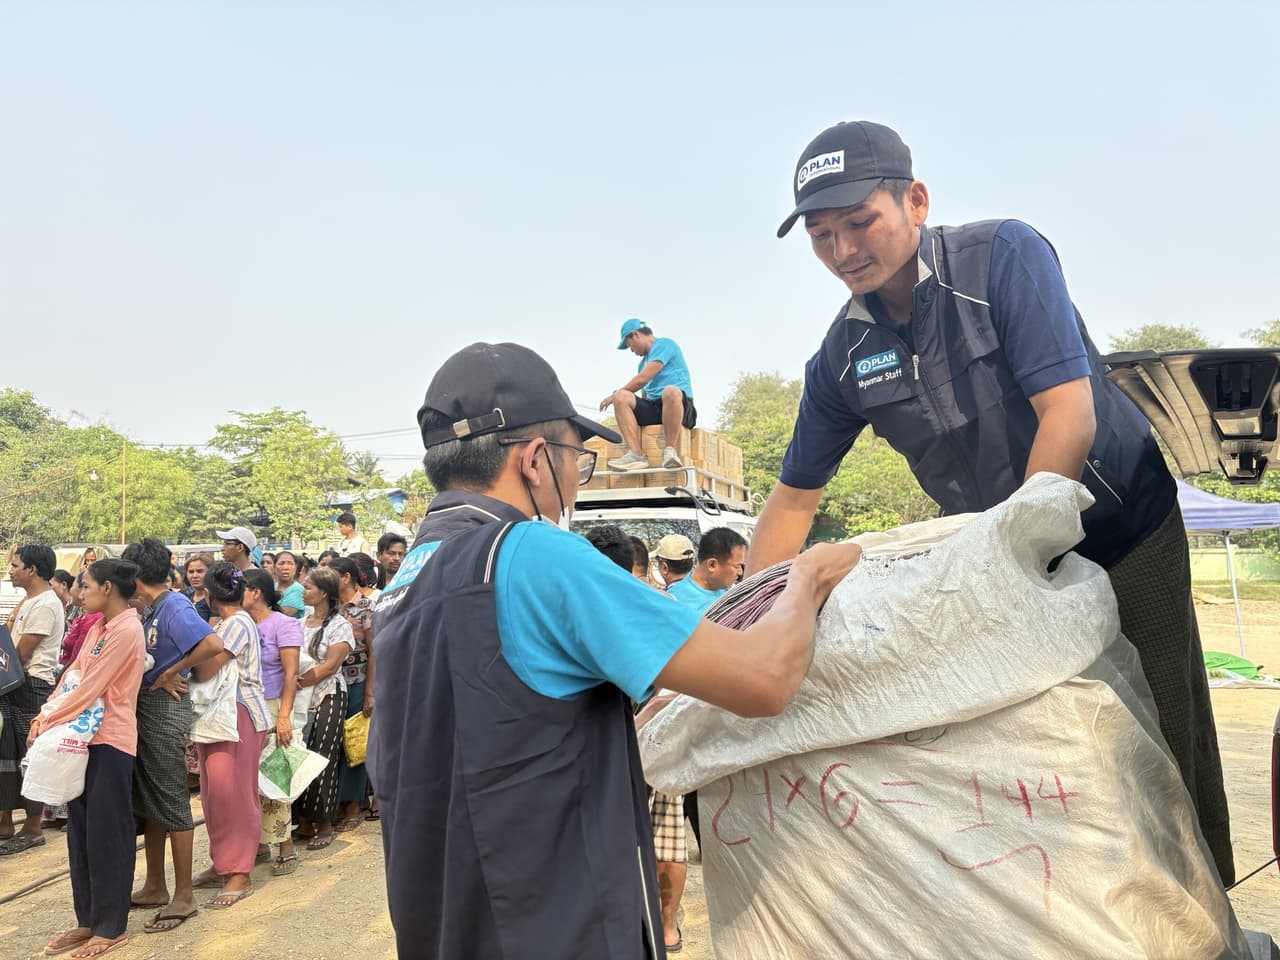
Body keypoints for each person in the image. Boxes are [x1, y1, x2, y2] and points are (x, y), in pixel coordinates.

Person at [750, 119, 1235, 883]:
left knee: (1160, 729)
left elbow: (1067, 415)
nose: (842, 251)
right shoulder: (843, 356)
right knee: (1044, 749)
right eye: (820, 235)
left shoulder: (1002, 256)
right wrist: (743, 623)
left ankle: (1205, 908)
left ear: (915, 199)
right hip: (1006, 559)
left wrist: (1017, 562)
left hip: (1119, 528)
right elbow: (789, 506)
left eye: (859, 222)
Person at [368, 341, 861, 958]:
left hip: (446, 926)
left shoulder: (403, 582)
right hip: (561, 927)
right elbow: (764, 677)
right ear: (535, 459)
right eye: (579, 455)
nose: (579, 475)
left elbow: (511, 723)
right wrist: (807, 576)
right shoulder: (532, 555)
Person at [34, 559, 145, 960]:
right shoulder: (99, 627)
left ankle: (110, 926)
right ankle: (88, 919)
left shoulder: (127, 629)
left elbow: (93, 688)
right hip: (80, 738)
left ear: (109, 588)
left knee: (108, 833)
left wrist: (48, 717)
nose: (81, 594)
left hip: (110, 740)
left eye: (87, 586)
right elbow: (73, 676)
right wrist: (48, 709)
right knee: (80, 830)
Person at [119, 537, 223, 934]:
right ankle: (156, 884)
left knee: (170, 799)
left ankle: (183, 894)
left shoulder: (174, 605)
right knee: (151, 802)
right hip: (148, 709)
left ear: (136, 575)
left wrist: (169, 672)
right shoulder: (154, 608)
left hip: (164, 710)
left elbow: (213, 645)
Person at [190, 563, 270, 909]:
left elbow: (208, 666)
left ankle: (239, 871)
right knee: (214, 795)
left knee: (234, 794)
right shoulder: (228, 623)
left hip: (238, 715)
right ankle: (224, 862)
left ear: (208, 593)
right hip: (221, 717)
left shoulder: (236, 624)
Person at [0, 544, 67, 855]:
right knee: (8, 754)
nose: (11, 571)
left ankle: (33, 825)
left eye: (16, 565)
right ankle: (6, 821)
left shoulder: (44, 605)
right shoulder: (28, 601)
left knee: (30, 755)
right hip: (15, 684)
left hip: (31, 684)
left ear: (33, 570)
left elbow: (20, 654)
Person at [242, 570, 302, 876]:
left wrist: (283, 717)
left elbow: (291, 674)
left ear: (255, 592)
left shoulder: (284, 624)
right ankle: (260, 844)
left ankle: (286, 845)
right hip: (246, 707)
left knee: (275, 774)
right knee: (248, 779)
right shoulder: (239, 623)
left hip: (274, 704)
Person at [293, 567, 354, 850]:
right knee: (299, 756)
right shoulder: (299, 623)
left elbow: (331, 666)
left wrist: (297, 682)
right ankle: (303, 820)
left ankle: (325, 822)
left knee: (323, 756)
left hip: (326, 694)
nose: (303, 591)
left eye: (308, 587)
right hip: (299, 697)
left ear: (324, 594)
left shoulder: (339, 625)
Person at [600, 319, 697, 472]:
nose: (631, 351)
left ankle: (670, 450)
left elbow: (642, 379)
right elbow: (643, 394)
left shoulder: (664, 344)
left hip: (677, 405)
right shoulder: (642, 364)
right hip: (654, 408)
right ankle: (636, 455)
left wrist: (612, 396)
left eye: (629, 345)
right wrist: (619, 400)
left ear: (636, 335)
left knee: (669, 391)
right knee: (622, 397)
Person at [329, 556, 375, 830]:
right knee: (335, 743)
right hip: (333, 683)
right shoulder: (330, 608)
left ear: (345, 577)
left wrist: (370, 692)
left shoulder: (366, 608)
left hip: (358, 682)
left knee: (354, 743)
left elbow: (375, 651)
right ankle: (337, 802)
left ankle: (354, 805)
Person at [666, 528, 748, 614]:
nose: (740, 572)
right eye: (737, 566)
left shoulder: (733, 593)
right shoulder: (675, 602)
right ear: (712, 565)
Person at [60, 572, 103, 668]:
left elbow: (77, 658)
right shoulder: (81, 615)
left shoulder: (93, 618)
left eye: (86, 587)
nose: (80, 595)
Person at [181, 552, 214, 623]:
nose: (194, 576)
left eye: (200, 571)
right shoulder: (183, 595)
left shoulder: (215, 600)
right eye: (191, 572)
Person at [273, 551, 305, 619]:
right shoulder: (272, 586)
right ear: (274, 567)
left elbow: (283, 616)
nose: (286, 568)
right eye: (281, 563)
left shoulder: (298, 590)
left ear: (295, 568)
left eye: (290, 564)